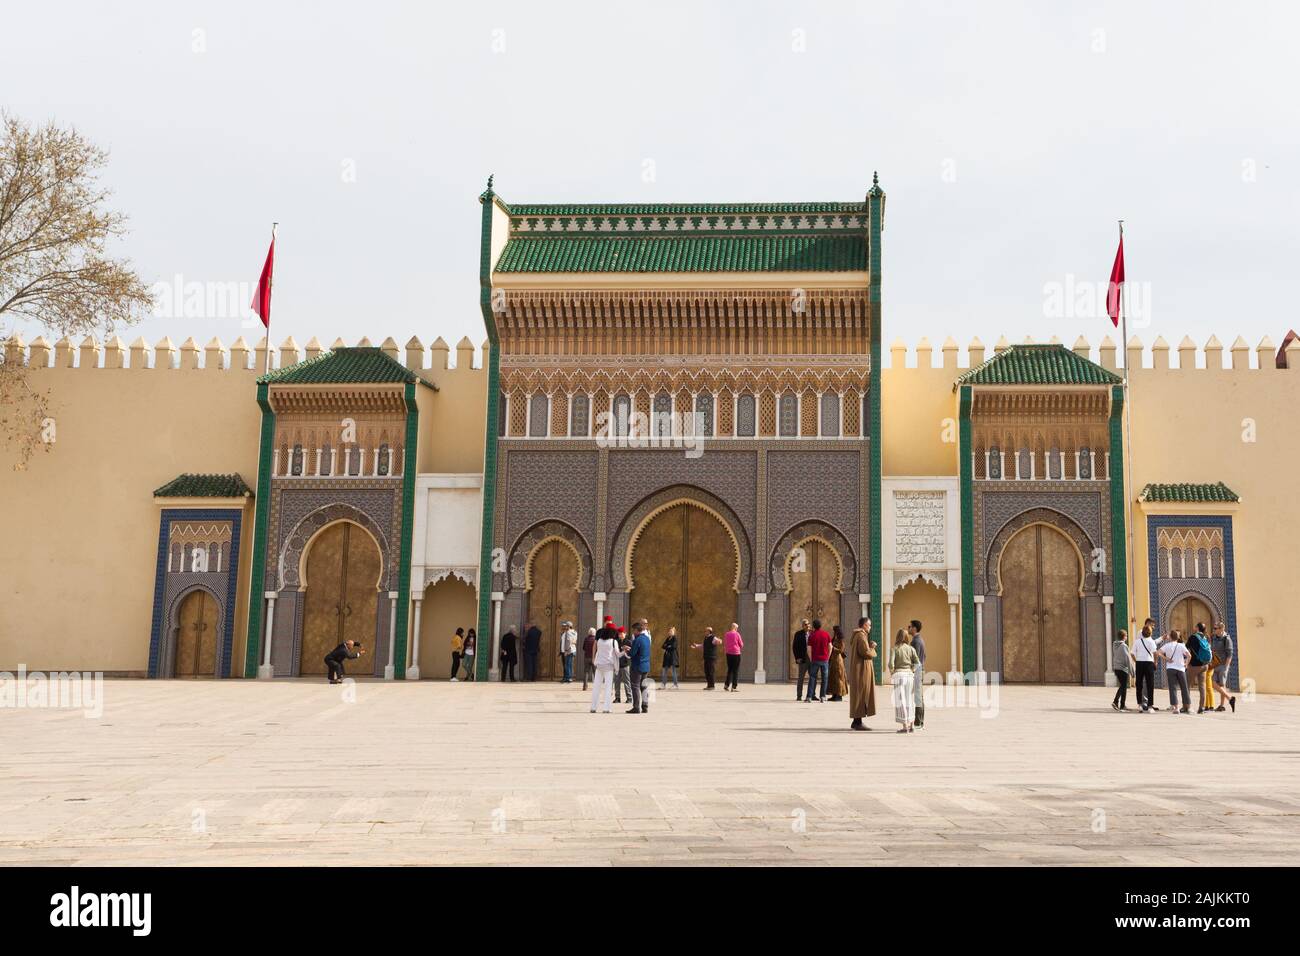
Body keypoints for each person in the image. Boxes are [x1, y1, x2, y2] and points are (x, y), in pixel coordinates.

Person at [847, 617, 877, 731]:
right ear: (864, 625)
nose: (870, 627)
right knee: (861, 694)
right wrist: (872, 647)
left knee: (859, 694)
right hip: (861, 671)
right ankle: (857, 722)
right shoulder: (861, 636)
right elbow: (865, 653)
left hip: (859, 670)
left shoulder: (859, 636)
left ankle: (856, 721)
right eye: (869, 625)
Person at [890, 628, 920, 733]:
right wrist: (912, 670)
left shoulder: (894, 649)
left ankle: (905, 726)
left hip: (899, 675)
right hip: (909, 675)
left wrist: (892, 672)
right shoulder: (911, 649)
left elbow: (891, 664)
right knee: (910, 700)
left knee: (901, 701)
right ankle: (912, 725)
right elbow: (917, 663)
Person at [590, 616, 620, 713]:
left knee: (596, 686)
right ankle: (606, 708)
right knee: (607, 687)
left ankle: (593, 707)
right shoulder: (609, 638)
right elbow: (617, 653)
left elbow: (596, 645)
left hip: (600, 664)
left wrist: (595, 658)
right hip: (608, 665)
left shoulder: (601, 638)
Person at [1159, 629, 1191, 714]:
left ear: (1170, 637)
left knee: (1173, 688)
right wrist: (1186, 664)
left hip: (1170, 668)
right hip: (1180, 669)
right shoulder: (1181, 645)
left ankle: (1176, 708)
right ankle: (1188, 707)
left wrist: (1167, 659)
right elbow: (1189, 655)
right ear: (1177, 637)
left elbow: (1158, 652)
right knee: (1184, 688)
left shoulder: (1167, 645)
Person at [1132, 619, 1159, 712]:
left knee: (1138, 684)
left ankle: (1139, 705)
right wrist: (1155, 662)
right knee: (1150, 684)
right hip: (1149, 663)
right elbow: (1155, 653)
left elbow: (1132, 653)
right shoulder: (1151, 641)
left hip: (1139, 663)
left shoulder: (1137, 641)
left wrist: (1136, 661)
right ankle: (1150, 706)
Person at [1186, 622, 1213, 713]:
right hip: (1204, 665)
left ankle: (1186, 706)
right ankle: (1201, 708)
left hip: (1194, 665)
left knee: (1187, 685)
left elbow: (1186, 648)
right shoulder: (1205, 637)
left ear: (1197, 628)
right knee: (1202, 686)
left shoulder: (1193, 637)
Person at [1209, 621, 1236, 713]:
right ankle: (1229, 698)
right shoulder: (1214, 638)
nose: (1214, 630)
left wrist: (1226, 667)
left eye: (1216, 628)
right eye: (1214, 628)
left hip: (1223, 666)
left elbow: (1230, 654)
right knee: (1213, 683)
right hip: (1214, 664)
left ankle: (1222, 705)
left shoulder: (1227, 639)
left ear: (1221, 629)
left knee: (1221, 685)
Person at [627, 620, 653, 714]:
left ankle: (636, 707)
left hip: (637, 666)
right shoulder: (647, 639)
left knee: (635, 686)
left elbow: (632, 653)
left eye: (634, 630)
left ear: (637, 630)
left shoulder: (637, 640)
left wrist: (626, 650)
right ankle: (645, 706)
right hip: (646, 666)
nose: (633, 632)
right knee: (644, 687)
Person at [805, 619, 831, 703]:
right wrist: (828, 657)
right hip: (824, 660)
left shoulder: (811, 636)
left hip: (815, 660)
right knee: (825, 678)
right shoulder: (826, 634)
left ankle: (809, 696)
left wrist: (811, 658)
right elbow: (831, 646)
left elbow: (809, 649)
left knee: (812, 678)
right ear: (821, 625)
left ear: (813, 626)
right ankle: (822, 696)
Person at [908, 620, 926, 729]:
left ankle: (918, 722)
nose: (908, 628)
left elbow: (916, 659)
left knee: (918, 697)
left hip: (917, 671)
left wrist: (912, 671)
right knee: (919, 697)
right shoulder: (919, 640)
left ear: (914, 628)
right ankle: (919, 721)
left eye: (909, 626)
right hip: (920, 670)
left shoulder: (916, 642)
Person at [1111, 629, 1135, 710]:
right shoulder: (1124, 646)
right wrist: (1132, 672)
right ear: (1124, 637)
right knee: (1124, 686)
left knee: (1123, 686)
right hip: (1122, 669)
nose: (1127, 637)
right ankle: (1120, 704)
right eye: (1126, 635)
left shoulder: (1115, 644)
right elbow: (1128, 659)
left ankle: (1118, 702)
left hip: (1116, 668)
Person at [827, 625, 848, 702]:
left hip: (838, 660)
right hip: (833, 660)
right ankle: (834, 694)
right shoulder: (835, 638)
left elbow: (841, 650)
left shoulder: (840, 639)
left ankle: (839, 695)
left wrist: (833, 648)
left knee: (839, 678)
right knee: (833, 678)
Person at [792, 619, 811, 701]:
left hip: (811, 659)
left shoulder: (812, 633)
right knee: (801, 678)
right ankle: (799, 695)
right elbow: (794, 647)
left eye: (808, 624)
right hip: (802, 659)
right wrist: (797, 658)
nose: (807, 626)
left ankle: (810, 695)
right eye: (805, 624)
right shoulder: (798, 634)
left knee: (812, 677)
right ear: (803, 626)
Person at [722, 623, 744, 691]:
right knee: (735, 670)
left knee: (729, 670)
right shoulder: (737, 634)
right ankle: (734, 687)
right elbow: (741, 644)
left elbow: (725, 643)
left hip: (728, 654)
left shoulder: (727, 634)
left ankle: (726, 685)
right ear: (735, 628)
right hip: (736, 654)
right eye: (737, 628)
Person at [614, 626, 632, 703]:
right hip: (617, 664)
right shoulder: (616, 642)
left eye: (622, 633)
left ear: (625, 633)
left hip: (625, 664)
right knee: (617, 682)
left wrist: (628, 648)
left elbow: (632, 652)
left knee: (627, 681)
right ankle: (617, 697)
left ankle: (629, 697)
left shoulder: (629, 642)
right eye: (619, 634)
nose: (620, 635)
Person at [581, 626, 596, 691]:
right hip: (594, 658)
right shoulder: (595, 640)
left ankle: (585, 686)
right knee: (595, 672)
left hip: (587, 657)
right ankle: (596, 687)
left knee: (586, 672)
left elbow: (583, 648)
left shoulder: (586, 639)